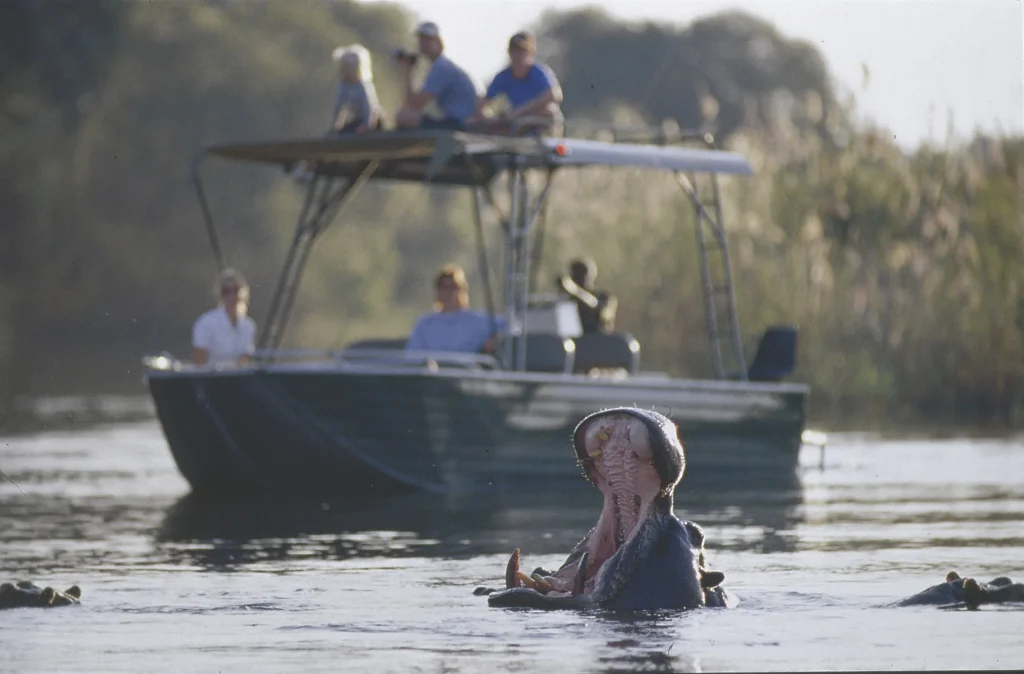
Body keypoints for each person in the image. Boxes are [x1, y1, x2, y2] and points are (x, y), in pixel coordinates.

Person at [469, 31, 564, 135]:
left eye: (522, 51)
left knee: (549, 109)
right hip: (515, 124)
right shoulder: (504, 76)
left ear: (531, 52)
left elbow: (554, 95)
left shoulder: (538, 72)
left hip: (537, 121)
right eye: (514, 51)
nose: (518, 56)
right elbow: (484, 103)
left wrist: (520, 112)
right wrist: (488, 117)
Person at [394, 22, 478, 131]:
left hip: (458, 123)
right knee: (406, 115)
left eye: (428, 40)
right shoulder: (440, 64)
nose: (423, 44)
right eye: (421, 39)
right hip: (455, 121)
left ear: (438, 41)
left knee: (403, 116)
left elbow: (414, 105)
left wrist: (407, 71)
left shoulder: (441, 67)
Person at [406, 265, 502, 353]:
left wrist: (495, 340)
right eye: (443, 287)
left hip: (467, 370)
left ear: (462, 290)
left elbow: (511, 326)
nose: (448, 292)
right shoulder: (425, 323)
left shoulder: (478, 320)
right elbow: (413, 355)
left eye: (452, 287)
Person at [192, 268, 257, 366]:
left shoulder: (249, 326)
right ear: (220, 294)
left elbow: (244, 360)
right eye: (226, 291)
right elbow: (200, 362)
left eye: (235, 290)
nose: (231, 296)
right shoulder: (205, 323)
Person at [329, 44, 383, 134]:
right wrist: (336, 125)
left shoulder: (363, 85)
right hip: (359, 120)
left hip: (374, 120)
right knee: (344, 133)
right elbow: (340, 107)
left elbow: (368, 108)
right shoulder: (344, 86)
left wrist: (367, 126)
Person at [557, 258, 618, 334]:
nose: (579, 280)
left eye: (582, 275)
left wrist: (575, 291)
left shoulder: (605, 298)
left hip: (598, 341)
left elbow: (601, 311)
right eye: (575, 275)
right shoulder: (569, 300)